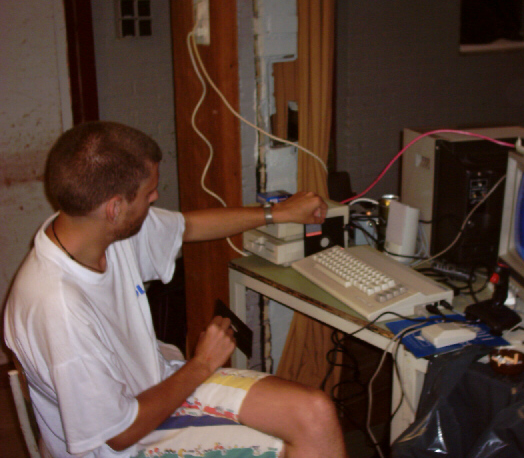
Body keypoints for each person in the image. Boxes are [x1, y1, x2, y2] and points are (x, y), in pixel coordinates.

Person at [4, 121, 348, 458]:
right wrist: (201, 364)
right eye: (148, 194)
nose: (155, 197)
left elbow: (188, 227)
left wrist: (278, 213)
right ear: (114, 208)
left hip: (157, 385)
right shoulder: (57, 308)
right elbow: (118, 435)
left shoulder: (92, 230)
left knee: (315, 413)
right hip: (120, 444)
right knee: (287, 447)